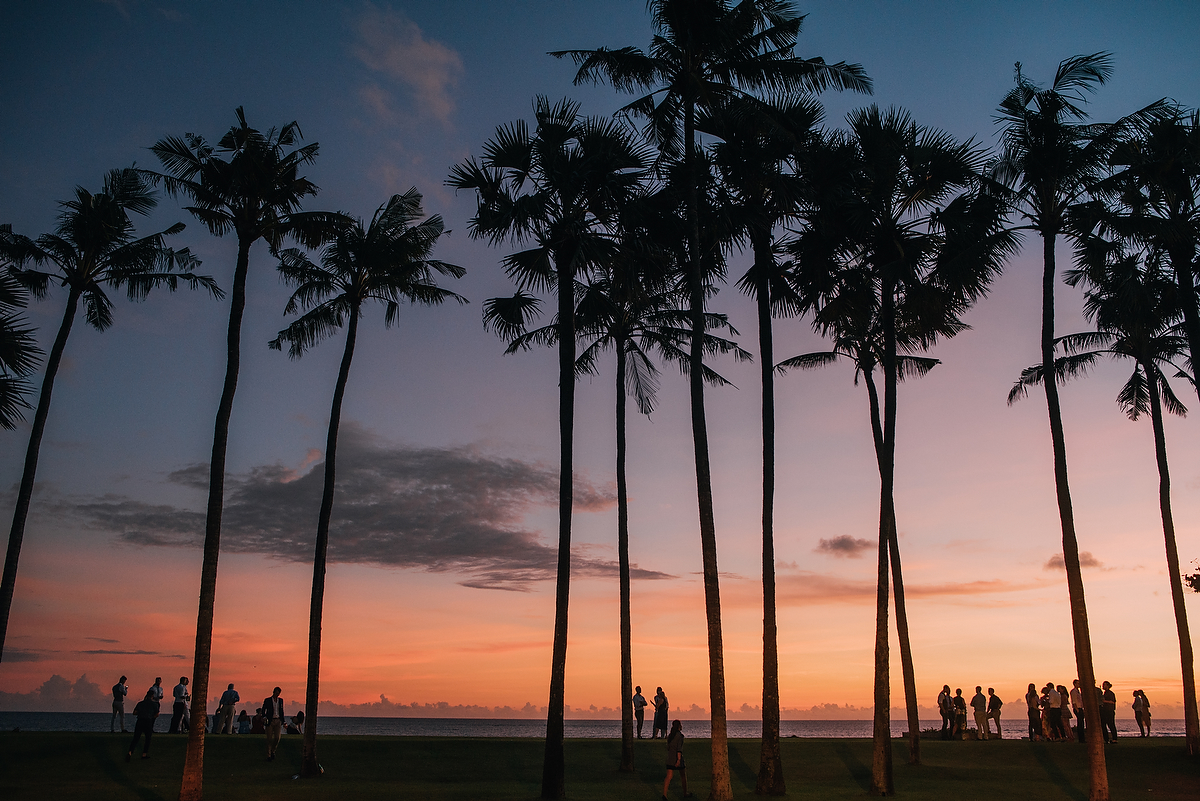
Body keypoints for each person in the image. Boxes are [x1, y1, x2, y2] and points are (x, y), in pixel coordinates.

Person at [126, 690, 160, 761]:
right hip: (148, 721)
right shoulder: (154, 704)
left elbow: (134, 712)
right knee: (148, 738)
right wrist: (151, 716)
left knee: (136, 738)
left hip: (140, 720)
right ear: (152, 696)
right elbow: (156, 714)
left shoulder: (140, 703)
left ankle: (130, 752)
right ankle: (144, 754)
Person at [661, 719, 690, 800]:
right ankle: (685, 793)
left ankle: (664, 794)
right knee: (683, 776)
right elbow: (679, 749)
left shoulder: (670, 736)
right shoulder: (679, 736)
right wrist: (678, 760)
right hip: (676, 758)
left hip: (670, 758)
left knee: (668, 776)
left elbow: (668, 748)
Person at [262, 687, 285, 760]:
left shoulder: (280, 701)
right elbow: (263, 709)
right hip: (270, 720)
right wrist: (264, 717)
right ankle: (268, 755)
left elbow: (281, 711)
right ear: (274, 692)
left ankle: (273, 751)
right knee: (269, 738)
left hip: (278, 720)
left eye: (279, 693)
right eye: (277, 692)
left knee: (277, 738)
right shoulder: (268, 700)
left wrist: (283, 721)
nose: (277, 694)